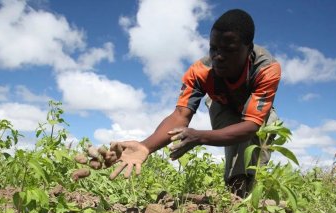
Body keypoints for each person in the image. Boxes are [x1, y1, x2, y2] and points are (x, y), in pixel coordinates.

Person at [109, 9, 281, 198]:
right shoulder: (200, 71)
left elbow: (249, 126)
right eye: (213, 48)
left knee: (257, 142)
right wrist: (145, 146)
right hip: (222, 106)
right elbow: (179, 116)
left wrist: (200, 137)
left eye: (229, 50)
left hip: (254, 115)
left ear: (248, 50)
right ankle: (236, 194)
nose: (219, 56)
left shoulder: (266, 69)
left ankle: (246, 197)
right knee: (234, 163)